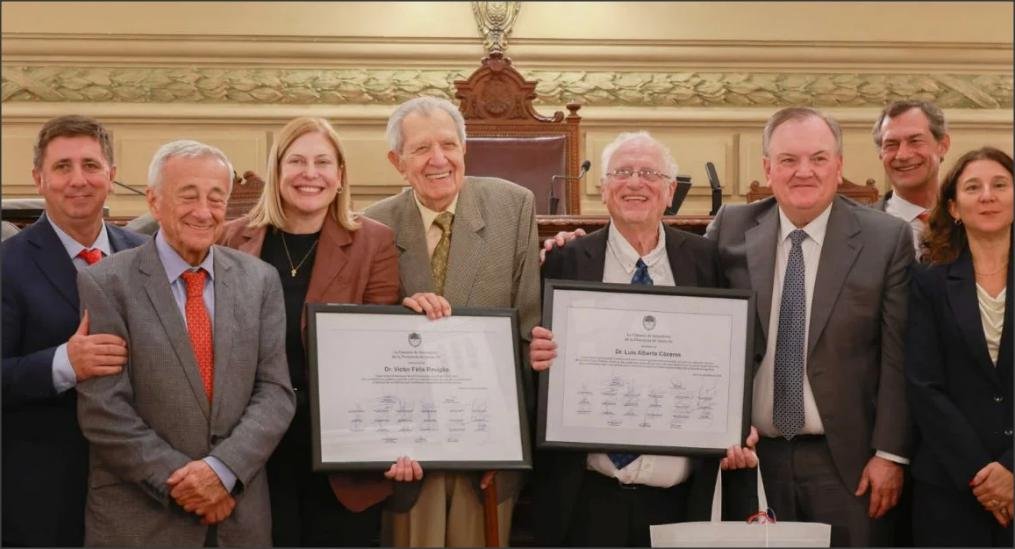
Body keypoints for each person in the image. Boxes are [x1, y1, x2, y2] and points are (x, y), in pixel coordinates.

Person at [528, 131, 758, 546]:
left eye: (649, 173)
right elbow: (535, 360)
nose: (635, 182)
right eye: (622, 172)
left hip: (681, 500)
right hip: (586, 499)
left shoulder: (706, 261)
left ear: (670, 191)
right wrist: (536, 354)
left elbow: (730, 353)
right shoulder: (563, 261)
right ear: (603, 188)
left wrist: (735, 417)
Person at [705, 107, 914, 546]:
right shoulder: (730, 228)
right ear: (767, 168)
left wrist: (890, 454)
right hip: (751, 460)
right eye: (788, 160)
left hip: (850, 465)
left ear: (838, 166)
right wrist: (573, 242)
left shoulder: (886, 239)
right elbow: (683, 305)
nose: (804, 172)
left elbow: (899, 356)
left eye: (819, 159)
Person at [74, 139, 296, 546]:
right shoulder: (105, 282)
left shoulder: (259, 279)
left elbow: (276, 393)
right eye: (188, 195)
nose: (204, 210)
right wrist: (188, 485)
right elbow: (104, 409)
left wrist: (223, 472)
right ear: (154, 201)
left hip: (238, 518)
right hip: (141, 520)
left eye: (216, 198)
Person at [219, 116, 411, 546]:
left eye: (323, 162)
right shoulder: (232, 239)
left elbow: (380, 354)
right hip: (251, 450)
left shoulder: (373, 243)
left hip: (338, 453)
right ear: (278, 171)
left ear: (340, 175)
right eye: (297, 161)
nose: (310, 174)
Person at [364, 95, 541, 547]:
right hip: (406, 456)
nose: (438, 159)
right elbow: (364, 343)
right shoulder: (373, 226)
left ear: (465, 150)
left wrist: (506, 442)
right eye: (421, 149)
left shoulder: (513, 207)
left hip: (488, 459)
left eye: (449, 145)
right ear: (397, 161)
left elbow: (527, 331)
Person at [1, 115, 147, 546]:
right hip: (42, 498)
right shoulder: (5, 266)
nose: (78, 180)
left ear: (112, 176)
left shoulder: (146, 256)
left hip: (140, 489)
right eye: (63, 167)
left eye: (91, 165)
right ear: (39, 179)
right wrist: (66, 363)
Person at [905, 146, 1013, 547]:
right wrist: (983, 473)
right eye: (973, 187)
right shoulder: (928, 280)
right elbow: (923, 385)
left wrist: (1010, 468)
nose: (988, 195)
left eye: (1000, 184)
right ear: (953, 206)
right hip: (950, 483)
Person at [872, 100, 951, 257]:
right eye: (891, 144)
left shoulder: (969, 219)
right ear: (881, 153)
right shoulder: (857, 228)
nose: (902, 155)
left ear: (942, 146)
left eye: (915, 141)